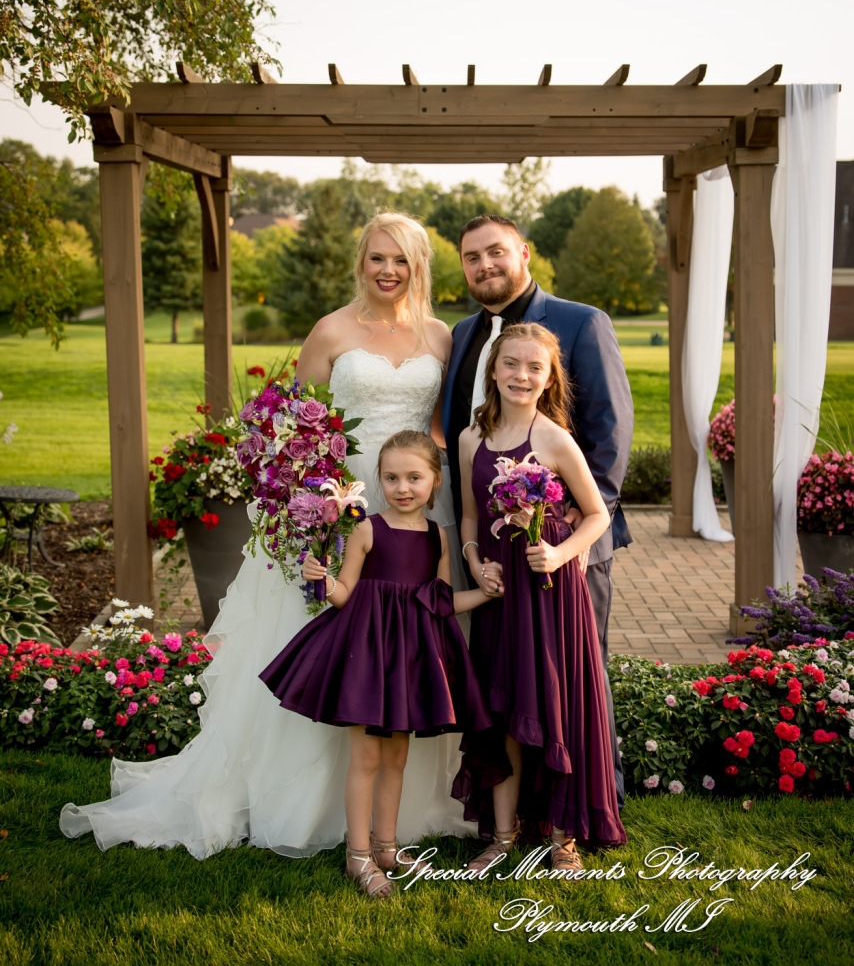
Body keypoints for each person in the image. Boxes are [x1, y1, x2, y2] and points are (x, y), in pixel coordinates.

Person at [60, 212, 477, 859]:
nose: (388, 271)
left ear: (419, 266)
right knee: (324, 643)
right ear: (360, 263)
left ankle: (409, 805)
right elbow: (289, 427)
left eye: (401, 260)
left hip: (413, 506)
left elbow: (438, 427)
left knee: (408, 645)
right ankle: (299, 803)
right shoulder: (332, 330)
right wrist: (309, 506)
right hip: (336, 510)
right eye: (377, 259)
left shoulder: (440, 337)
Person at [441, 214, 632, 806]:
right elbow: (458, 431)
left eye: (495, 252)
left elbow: (609, 429)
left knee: (574, 679)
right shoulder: (463, 334)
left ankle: (593, 804)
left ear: (525, 252)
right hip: (493, 550)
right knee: (507, 681)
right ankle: (514, 813)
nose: (484, 266)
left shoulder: (581, 322)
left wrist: (574, 517)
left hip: (564, 543)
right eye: (472, 258)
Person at [260, 431, 498, 897]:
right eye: (392, 478)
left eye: (414, 477)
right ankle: (358, 855)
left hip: (410, 659)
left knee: (397, 755)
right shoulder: (367, 529)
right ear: (379, 481)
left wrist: (485, 594)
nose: (403, 487)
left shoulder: (437, 537)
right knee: (366, 757)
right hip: (368, 655)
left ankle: (386, 847)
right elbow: (345, 594)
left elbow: (442, 601)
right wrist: (323, 580)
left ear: (434, 483)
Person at [452, 323, 627, 873]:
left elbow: (598, 514)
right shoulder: (469, 440)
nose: (521, 375)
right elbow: (469, 516)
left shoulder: (553, 438)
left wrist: (559, 555)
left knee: (553, 706)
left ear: (549, 377)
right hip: (501, 592)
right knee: (500, 712)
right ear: (493, 371)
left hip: (550, 591)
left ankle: (561, 839)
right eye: (511, 364)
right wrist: (476, 562)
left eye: (534, 367)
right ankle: (503, 838)